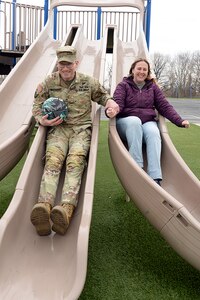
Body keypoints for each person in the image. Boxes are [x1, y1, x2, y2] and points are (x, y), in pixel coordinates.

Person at [30, 45, 119, 236]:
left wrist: (111, 105)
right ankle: (44, 207)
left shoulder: (87, 82)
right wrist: (41, 119)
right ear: (58, 64)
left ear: (76, 63)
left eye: (68, 64)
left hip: (80, 130)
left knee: (75, 161)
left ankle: (66, 210)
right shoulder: (48, 82)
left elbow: (104, 96)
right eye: (62, 64)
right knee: (53, 161)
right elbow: (36, 104)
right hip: (58, 130)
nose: (65, 68)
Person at [107, 58, 189, 186]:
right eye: (139, 68)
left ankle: (155, 177)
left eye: (145, 69)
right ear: (132, 70)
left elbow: (164, 106)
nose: (141, 71)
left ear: (148, 72)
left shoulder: (152, 87)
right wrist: (112, 111)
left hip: (146, 122)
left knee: (153, 132)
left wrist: (180, 121)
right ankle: (137, 168)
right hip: (126, 123)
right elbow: (117, 103)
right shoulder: (123, 86)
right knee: (134, 122)